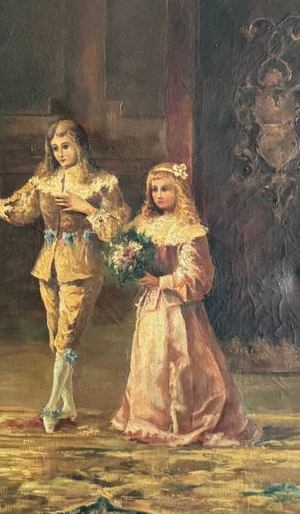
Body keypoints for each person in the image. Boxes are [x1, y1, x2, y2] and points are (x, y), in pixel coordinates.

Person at [0, 117, 129, 432]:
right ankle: (69, 404)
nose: (61, 153)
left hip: (82, 267)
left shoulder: (102, 182)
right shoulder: (45, 180)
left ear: (80, 145)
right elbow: (20, 209)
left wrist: (87, 208)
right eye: (55, 148)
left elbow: (116, 228)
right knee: (56, 338)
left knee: (67, 337)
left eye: (66, 146)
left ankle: (52, 405)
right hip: (48, 266)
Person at [110, 162, 259, 447]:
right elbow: (124, 251)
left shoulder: (189, 230)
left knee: (181, 360)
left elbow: (198, 276)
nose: (159, 195)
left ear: (178, 191)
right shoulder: (144, 225)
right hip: (151, 306)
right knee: (150, 359)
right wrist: (131, 268)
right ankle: (150, 419)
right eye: (154, 190)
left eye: (165, 189)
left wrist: (160, 282)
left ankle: (182, 421)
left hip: (179, 308)